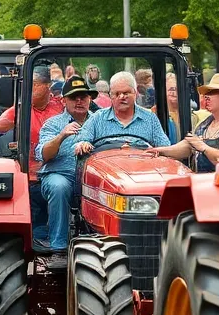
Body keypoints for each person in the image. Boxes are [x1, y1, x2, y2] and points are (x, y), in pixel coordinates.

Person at [34, 76, 95, 261]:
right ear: (63, 100)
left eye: (83, 96)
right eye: (73, 97)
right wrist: (61, 136)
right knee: (59, 187)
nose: (79, 101)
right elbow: (43, 154)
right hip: (60, 174)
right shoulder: (53, 124)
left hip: (93, 178)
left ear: (90, 99)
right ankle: (58, 247)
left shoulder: (100, 121)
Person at [150, 73, 219, 170]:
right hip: (203, 185)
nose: (206, 96)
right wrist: (160, 151)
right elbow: (188, 146)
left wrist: (203, 147)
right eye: (206, 93)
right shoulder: (206, 123)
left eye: (212, 92)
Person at [74, 71, 171, 156]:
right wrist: (83, 144)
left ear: (135, 93)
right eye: (117, 94)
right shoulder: (97, 118)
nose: (121, 97)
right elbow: (78, 142)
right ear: (110, 95)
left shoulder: (150, 118)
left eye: (126, 93)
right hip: (107, 171)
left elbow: (165, 148)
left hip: (142, 170)